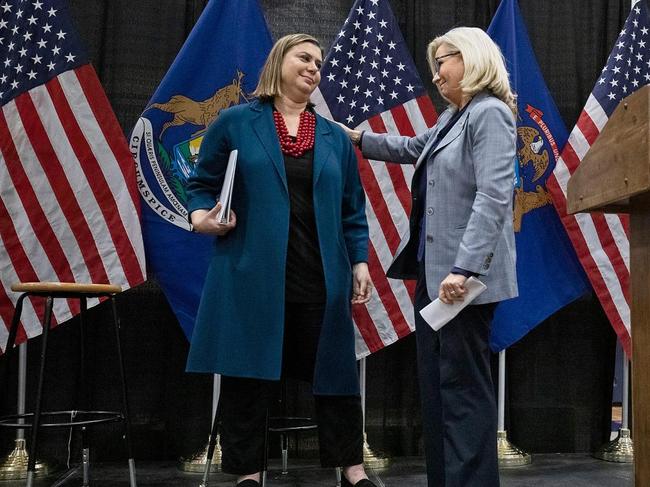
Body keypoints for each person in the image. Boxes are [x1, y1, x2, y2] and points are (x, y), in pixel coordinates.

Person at [185, 34, 377, 487]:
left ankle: (353, 471)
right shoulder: (235, 122)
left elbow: (353, 208)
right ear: (279, 62)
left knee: (336, 379)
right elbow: (200, 184)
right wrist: (201, 218)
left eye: (319, 62)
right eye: (304, 58)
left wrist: (360, 262)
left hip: (319, 276)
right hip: (251, 275)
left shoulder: (333, 136)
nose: (314, 67)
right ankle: (248, 475)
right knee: (247, 381)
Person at [341, 27, 518, 487]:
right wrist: (356, 138)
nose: (436, 75)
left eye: (443, 62)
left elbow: (495, 196)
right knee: (439, 390)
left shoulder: (490, 113)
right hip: (434, 277)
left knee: (462, 391)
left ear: (474, 59)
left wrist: (465, 266)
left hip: (462, 280)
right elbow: (411, 148)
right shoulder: (452, 117)